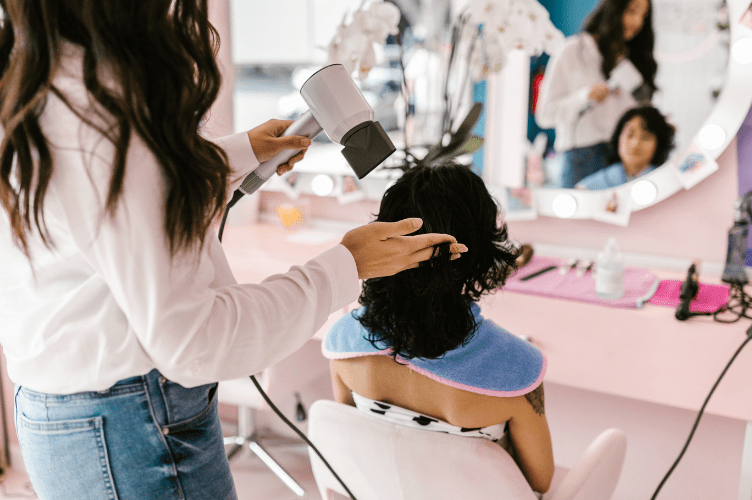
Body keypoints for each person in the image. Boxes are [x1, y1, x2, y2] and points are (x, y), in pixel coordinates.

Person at [0, 2, 466, 498]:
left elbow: (106, 209)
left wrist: (229, 156)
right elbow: (194, 341)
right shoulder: (111, 124)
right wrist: (347, 266)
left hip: (63, 409)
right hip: (130, 423)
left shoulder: (40, 92)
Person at [323, 163, 554, 495]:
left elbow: (353, 444)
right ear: (477, 253)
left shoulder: (344, 343)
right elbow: (539, 482)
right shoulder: (518, 371)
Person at [535, 0, 657, 188]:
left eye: (643, 15)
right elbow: (544, 115)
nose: (637, 22)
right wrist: (584, 98)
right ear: (613, 8)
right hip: (580, 158)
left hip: (621, 160)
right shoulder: (572, 51)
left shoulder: (631, 59)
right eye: (632, 11)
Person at [576, 105, 675, 190]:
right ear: (618, 137)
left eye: (645, 137)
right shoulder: (587, 189)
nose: (635, 144)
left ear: (659, 143)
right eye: (630, 135)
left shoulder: (669, 185)